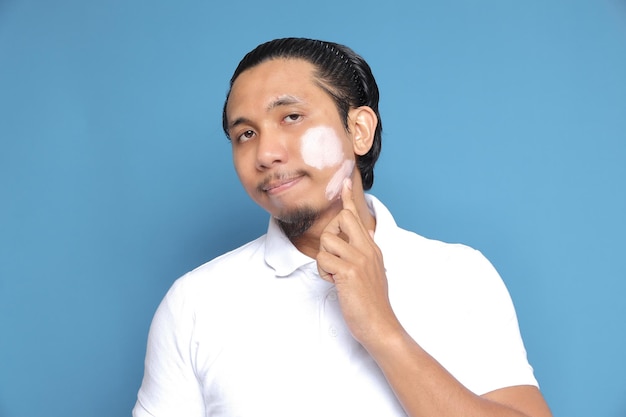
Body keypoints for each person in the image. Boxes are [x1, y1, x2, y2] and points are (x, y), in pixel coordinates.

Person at [133, 37, 552, 417]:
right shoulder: (194, 303)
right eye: (245, 134)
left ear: (359, 130)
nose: (266, 152)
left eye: (291, 116)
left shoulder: (460, 275)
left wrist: (383, 332)